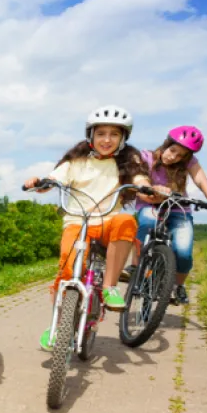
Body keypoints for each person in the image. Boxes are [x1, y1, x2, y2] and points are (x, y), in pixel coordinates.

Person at [24, 105, 155, 351]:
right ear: (91, 135)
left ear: (123, 138)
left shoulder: (128, 161)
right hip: (77, 221)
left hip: (108, 222)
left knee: (126, 220)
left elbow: (140, 179)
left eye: (114, 134)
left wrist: (148, 188)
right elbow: (53, 180)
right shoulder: (75, 161)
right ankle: (57, 325)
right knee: (67, 270)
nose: (107, 139)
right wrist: (39, 182)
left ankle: (110, 287)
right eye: (101, 133)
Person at [121, 125, 207, 304]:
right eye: (172, 150)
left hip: (178, 208)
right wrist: (151, 190)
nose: (173, 157)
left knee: (183, 252)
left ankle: (178, 285)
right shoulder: (146, 157)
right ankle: (135, 266)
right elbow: (138, 179)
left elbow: (202, 182)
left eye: (180, 156)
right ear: (166, 144)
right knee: (147, 223)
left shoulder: (189, 163)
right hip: (150, 205)